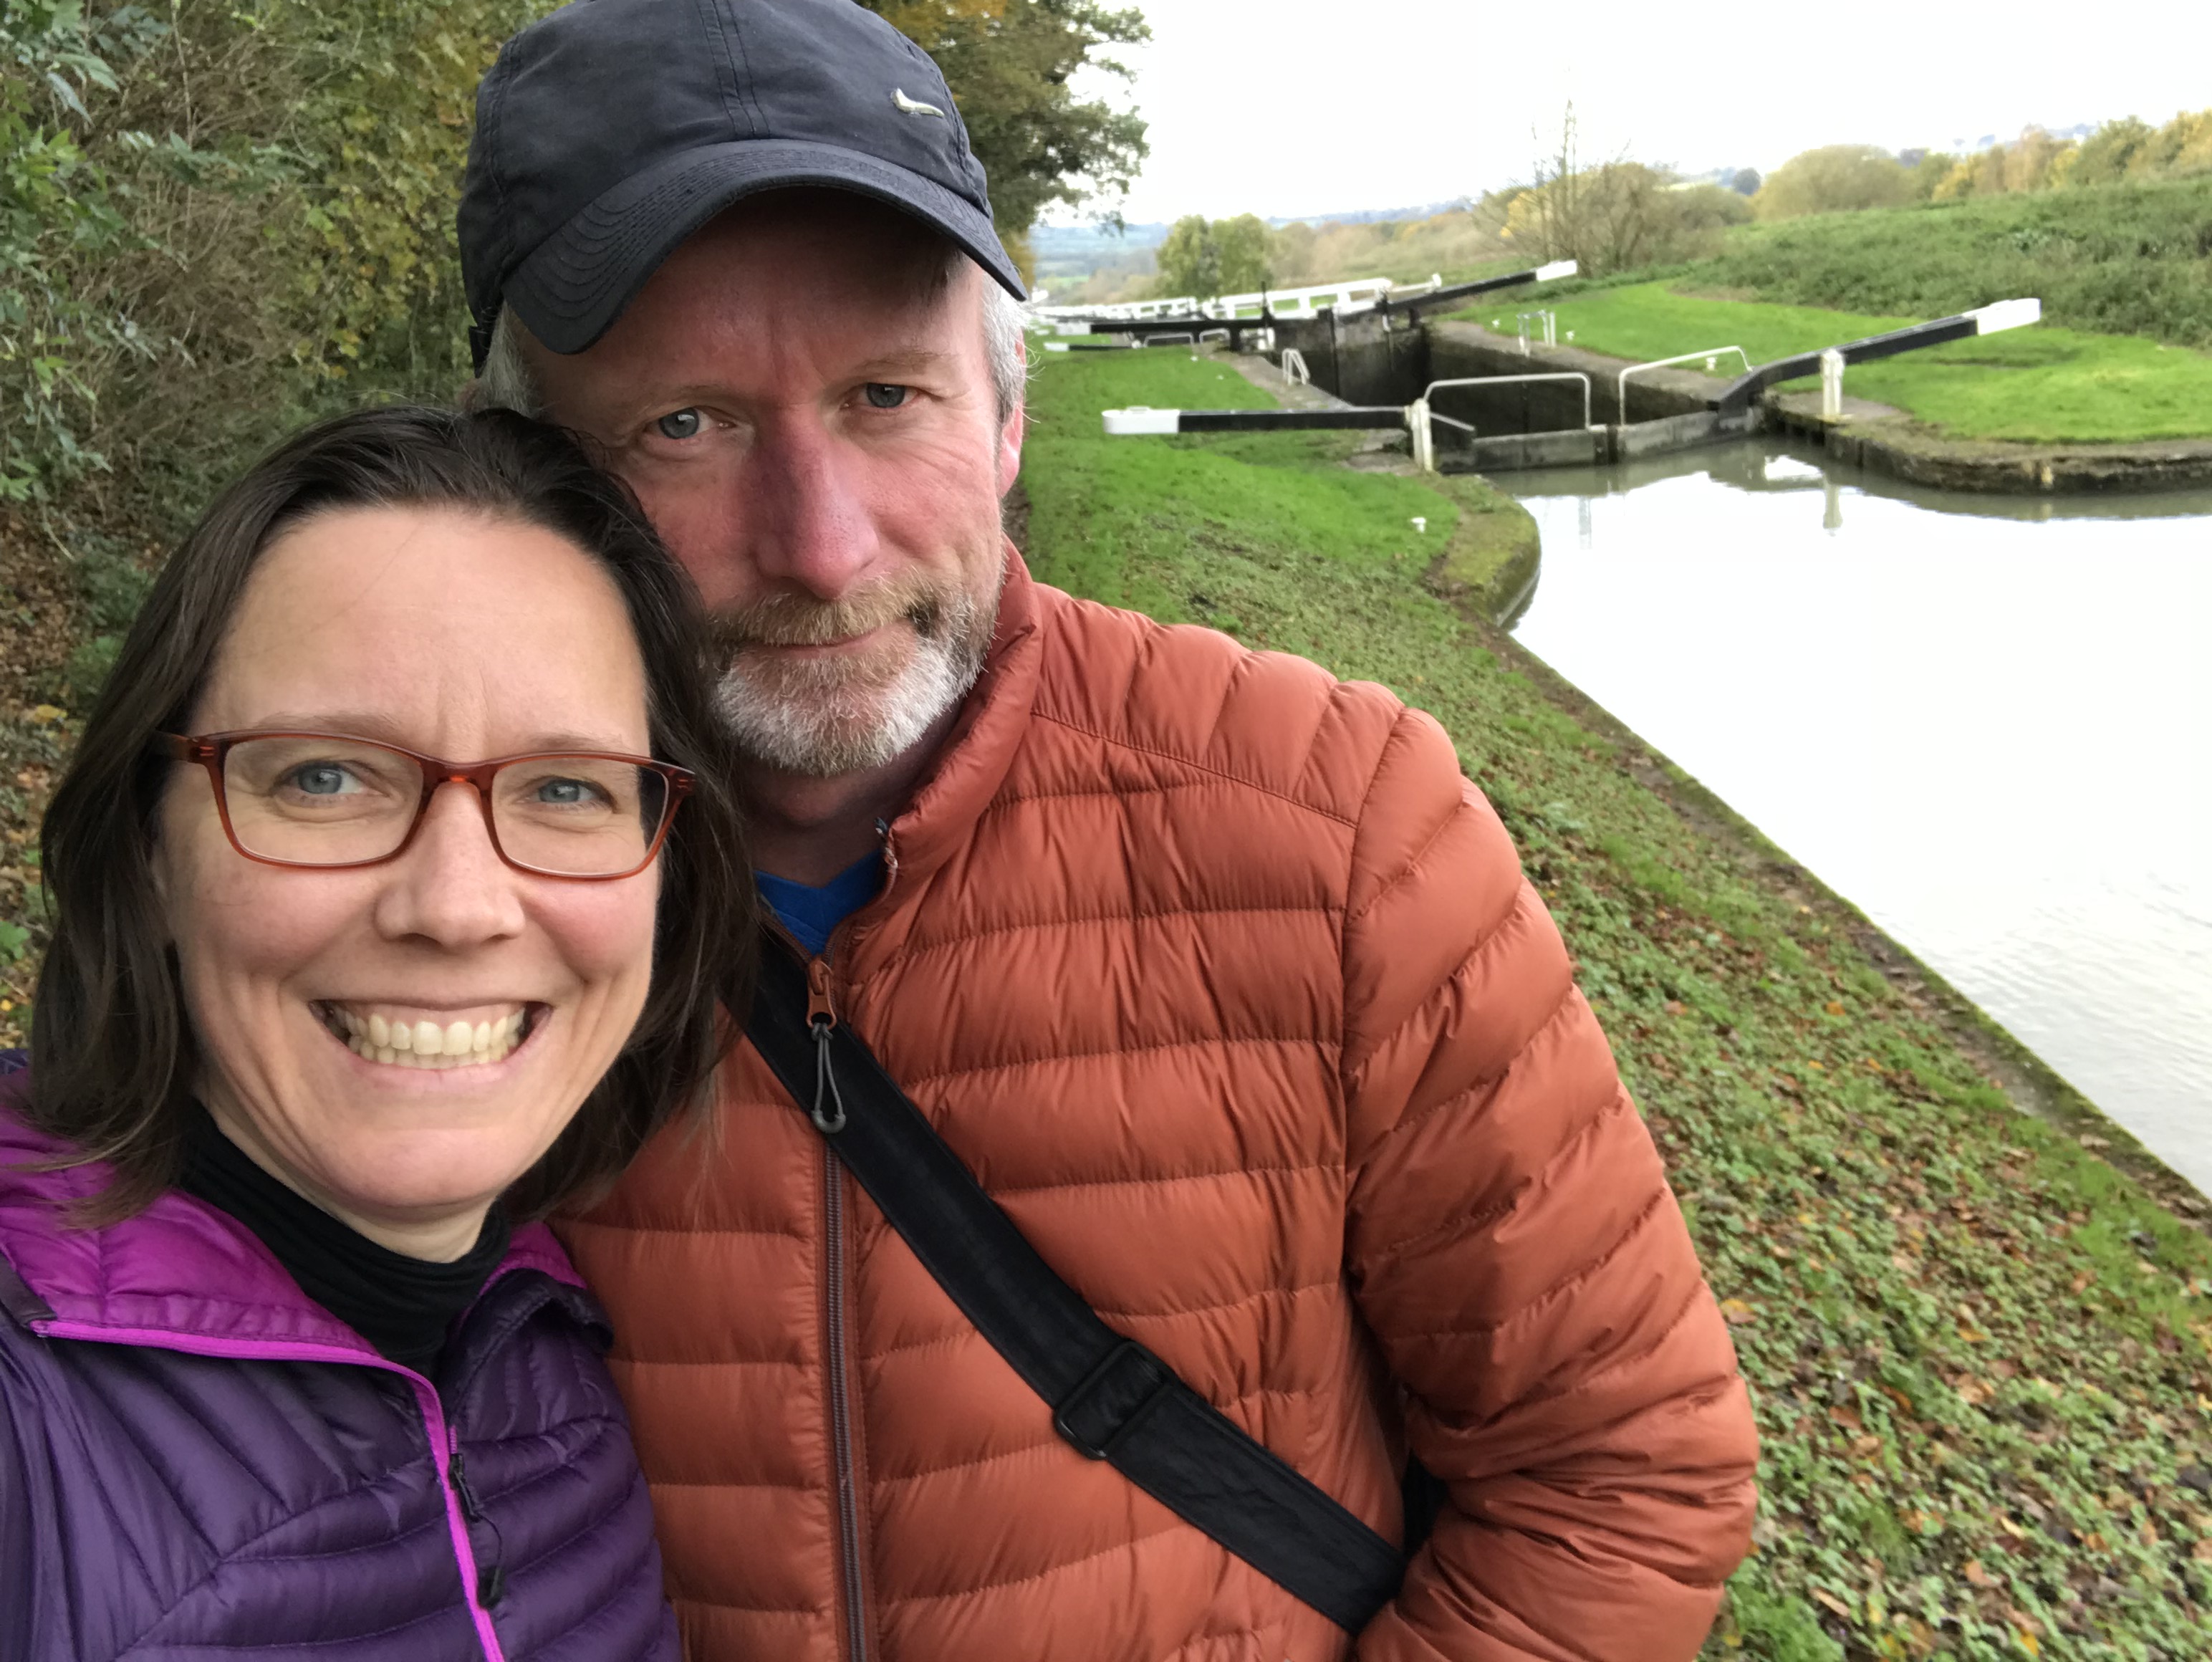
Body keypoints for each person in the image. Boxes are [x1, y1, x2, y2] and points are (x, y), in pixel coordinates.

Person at [460, 1, 1761, 1656]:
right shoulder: (421, 902)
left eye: (886, 395)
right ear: (530, 475)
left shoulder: (1341, 829)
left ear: (1006, 416)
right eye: (683, 426)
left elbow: (1617, 1469)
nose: (822, 548)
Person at [0, 407, 753, 1661]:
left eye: (566, 787)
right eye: (324, 777)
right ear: (148, 851)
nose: (457, 907)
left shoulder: (552, 1353)